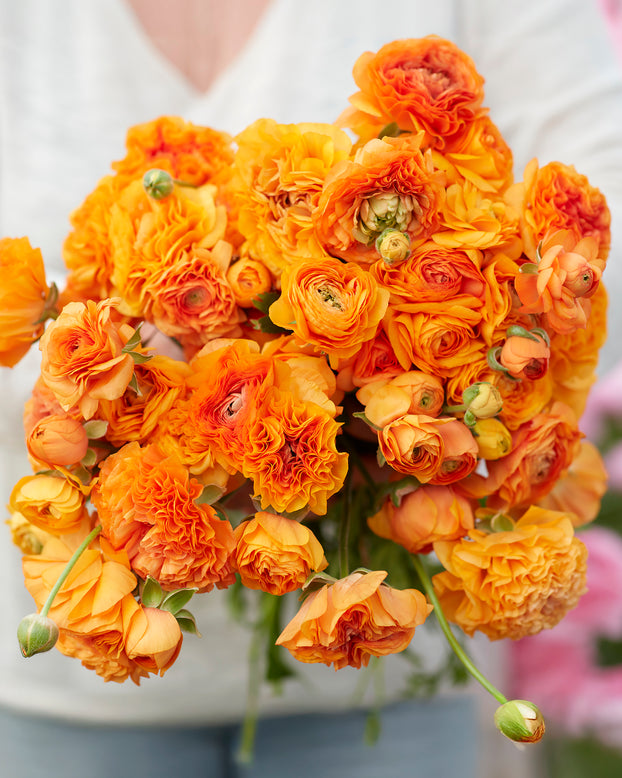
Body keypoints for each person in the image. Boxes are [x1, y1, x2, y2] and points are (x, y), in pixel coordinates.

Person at [1, 1, 621, 776]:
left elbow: (609, 224)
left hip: (383, 696)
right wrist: (116, 370)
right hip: (66, 693)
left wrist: (413, 373)